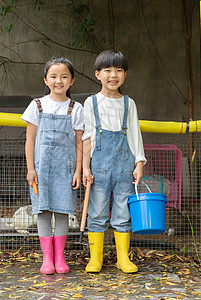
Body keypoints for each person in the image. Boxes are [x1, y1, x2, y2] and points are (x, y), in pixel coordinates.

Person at [82, 49, 146, 274]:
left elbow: (135, 135)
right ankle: (95, 259)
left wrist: (139, 163)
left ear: (125, 74)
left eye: (119, 70)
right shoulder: (91, 102)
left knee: (123, 211)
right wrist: (85, 168)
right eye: (107, 70)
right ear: (97, 74)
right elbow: (87, 137)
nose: (113, 75)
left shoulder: (129, 103)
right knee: (97, 210)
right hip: (98, 167)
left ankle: (122, 259)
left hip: (124, 166)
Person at [22, 56, 84, 275]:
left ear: (72, 81)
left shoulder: (76, 108)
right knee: (43, 213)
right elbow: (29, 140)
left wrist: (78, 170)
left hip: (65, 171)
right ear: (45, 80)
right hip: (41, 170)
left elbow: (79, 142)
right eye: (54, 76)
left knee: (62, 212)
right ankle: (47, 258)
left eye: (64, 77)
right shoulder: (37, 105)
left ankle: (60, 256)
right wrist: (31, 169)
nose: (59, 81)